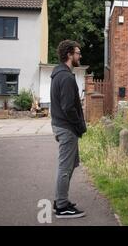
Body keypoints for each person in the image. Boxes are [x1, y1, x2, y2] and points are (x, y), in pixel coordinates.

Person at [50, 40, 87, 218]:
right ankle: (62, 207)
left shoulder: (61, 75)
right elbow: (68, 107)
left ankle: (60, 199)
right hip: (67, 128)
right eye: (77, 53)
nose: (80, 56)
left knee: (71, 164)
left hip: (63, 126)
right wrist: (79, 125)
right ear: (69, 55)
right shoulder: (65, 77)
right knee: (65, 167)